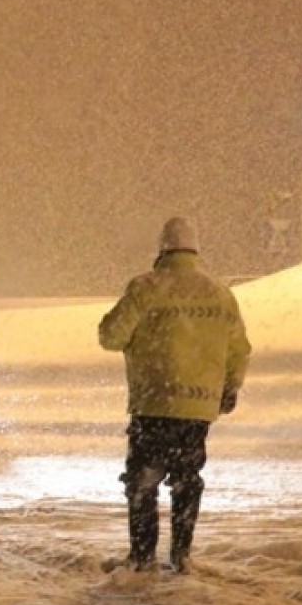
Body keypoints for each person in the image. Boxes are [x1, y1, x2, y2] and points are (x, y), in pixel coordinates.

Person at [98, 217, 251, 574]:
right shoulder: (220, 293)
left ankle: (142, 557)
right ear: (196, 250)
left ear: (162, 249)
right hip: (198, 406)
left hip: (154, 401)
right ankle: (181, 555)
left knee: (143, 481)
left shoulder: (146, 288)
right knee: (187, 479)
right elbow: (239, 348)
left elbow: (110, 336)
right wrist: (230, 386)